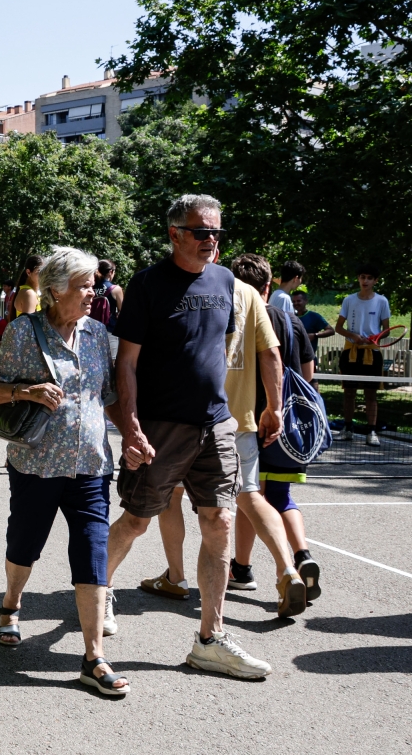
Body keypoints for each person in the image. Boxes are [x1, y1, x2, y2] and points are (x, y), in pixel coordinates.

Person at [107, 194, 273, 679]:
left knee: (219, 520)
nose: (211, 241)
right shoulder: (148, 284)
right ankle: (100, 589)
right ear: (175, 233)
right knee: (137, 521)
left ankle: (210, 638)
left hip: (216, 424)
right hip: (161, 427)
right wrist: (132, 425)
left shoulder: (227, 281)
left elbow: (217, 349)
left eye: (217, 233)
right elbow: (128, 363)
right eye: (202, 232)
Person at [0, 247, 129, 696]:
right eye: (84, 285)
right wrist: (24, 390)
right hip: (36, 465)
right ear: (56, 290)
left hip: (91, 466)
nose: (92, 291)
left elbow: (109, 397)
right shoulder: (24, 332)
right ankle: (10, 606)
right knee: (25, 545)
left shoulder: (99, 333)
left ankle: (94, 657)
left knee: (92, 552)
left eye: (94, 284)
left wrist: (134, 436)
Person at [136, 253, 307, 619]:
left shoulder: (186, 287)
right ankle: (287, 568)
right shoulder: (247, 293)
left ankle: (177, 577)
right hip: (240, 418)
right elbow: (272, 355)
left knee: (172, 499)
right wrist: (273, 408)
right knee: (251, 497)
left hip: (192, 416)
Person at [238, 261, 324, 603]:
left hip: (251, 419)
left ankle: (247, 570)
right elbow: (308, 374)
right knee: (281, 497)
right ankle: (302, 555)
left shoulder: (241, 319)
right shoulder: (293, 321)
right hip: (289, 426)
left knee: (249, 497)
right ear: (269, 286)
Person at [335, 265, 391, 445]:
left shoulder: (382, 301)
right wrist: (354, 336)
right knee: (349, 393)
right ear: (358, 279)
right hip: (350, 352)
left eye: (369, 278)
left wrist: (372, 339)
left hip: (372, 353)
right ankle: (348, 428)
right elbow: (338, 327)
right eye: (362, 277)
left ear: (375, 281)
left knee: (371, 394)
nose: (365, 281)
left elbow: (386, 331)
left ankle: (371, 432)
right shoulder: (349, 300)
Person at [291, 289, 333, 375]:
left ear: (306, 301)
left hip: (309, 359)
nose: (296, 303)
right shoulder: (290, 317)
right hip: (293, 360)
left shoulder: (314, 316)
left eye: (298, 301)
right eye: (293, 301)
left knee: (312, 385)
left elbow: (331, 330)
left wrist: (315, 335)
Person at [11, 254, 43, 319]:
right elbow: (28, 326)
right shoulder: (29, 294)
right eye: (39, 271)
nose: (43, 275)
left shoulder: (30, 292)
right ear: (28, 272)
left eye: (45, 271)